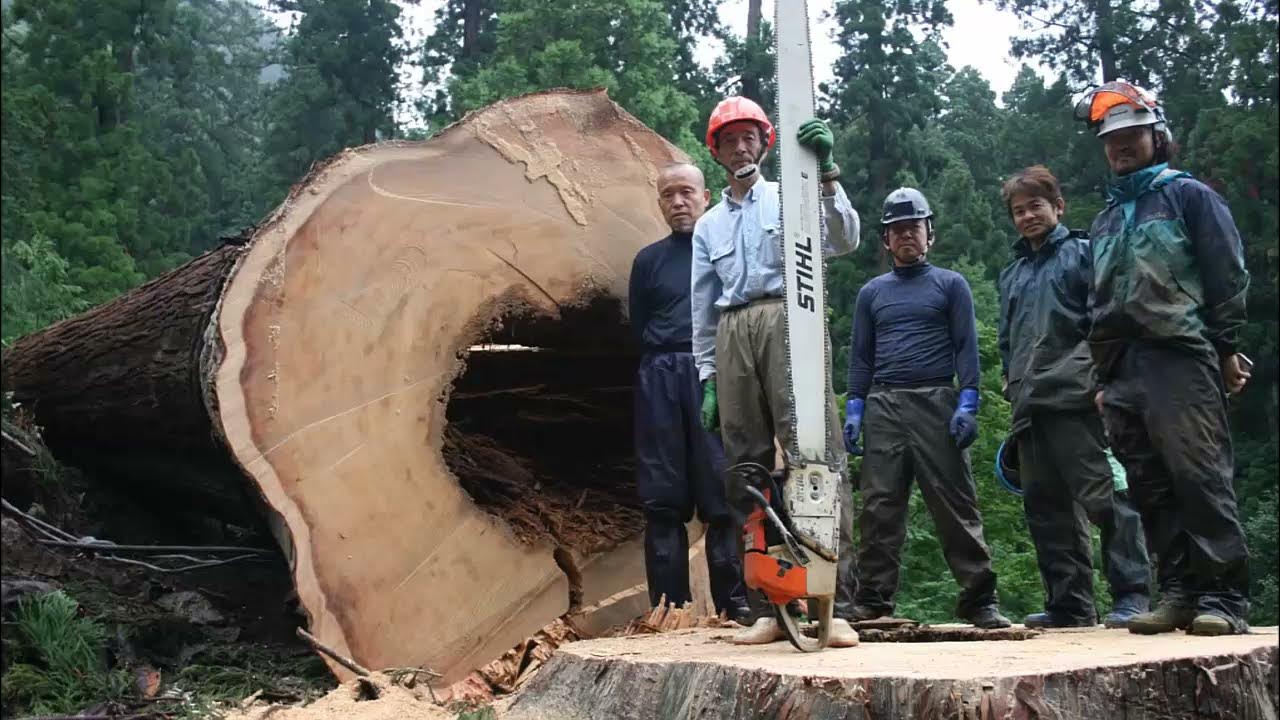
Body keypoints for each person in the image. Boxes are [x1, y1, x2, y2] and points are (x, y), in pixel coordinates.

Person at [1074, 81, 1252, 636]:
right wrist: (1103, 379)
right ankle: (1178, 592)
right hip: (1122, 366)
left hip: (1179, 354)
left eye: (1131, 135)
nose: (1121, 146)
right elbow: (1096, 300)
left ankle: (1223, 597)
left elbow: (1227, 274)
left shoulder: (1189, 196)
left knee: (1198, 476)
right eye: (1112, 139)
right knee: (1148, 484)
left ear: (1158, 136)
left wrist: (1225, 348)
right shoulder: (1104, 219)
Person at [690, 96, 861, 647]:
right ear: (715, 151)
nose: (741, 147)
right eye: (729, 140)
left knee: (815, 454)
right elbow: (702, 301)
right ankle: (769, 603)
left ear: (764, 143)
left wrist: (828, 175)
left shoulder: (792, 197)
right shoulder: (709, 225)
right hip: (732, 329)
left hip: (791, 316)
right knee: (746, 467)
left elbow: (843, 240)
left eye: (749, 138)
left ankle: (833, 604)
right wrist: (708, 375)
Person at [843, 188, 1011, 630]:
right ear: (885, 240)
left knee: (955, 503)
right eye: (896, 230)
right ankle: (873, 600)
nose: (905, 237)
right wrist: (855, 409)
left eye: (913, 228)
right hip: (884, 402)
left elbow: (966, 347)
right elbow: (860, 356)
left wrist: (968, 401)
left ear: (928, 234)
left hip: (937, 399)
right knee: (879, 506)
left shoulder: (950, 284)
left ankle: (980, 601)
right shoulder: (871, 293)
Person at [996, 164, 1152, 629]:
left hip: (1080, 399)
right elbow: (1007, 339)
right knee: (1046, 509)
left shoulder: (1084, 254)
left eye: (1036, 206)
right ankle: (1070, 605)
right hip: (1029, 405)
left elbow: (1107, 321)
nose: (1028, 216)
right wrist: (1010, 381)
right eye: (1019, 210)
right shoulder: (1013, 273)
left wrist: (1105, 383)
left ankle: (1133, 595)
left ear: (1058, 206)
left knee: (1108, 499)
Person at [629, 163, 750, 622]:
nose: (677, 202)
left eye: (685, 192)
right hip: (659, 374)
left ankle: (734, 604)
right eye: (667, 195)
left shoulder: (725, 249)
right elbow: (639, 325)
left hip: (715, 372)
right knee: (662, 497)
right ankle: (667, 607)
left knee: (721, 494)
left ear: (704, 196)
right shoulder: (648, 261)